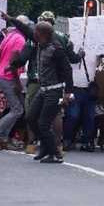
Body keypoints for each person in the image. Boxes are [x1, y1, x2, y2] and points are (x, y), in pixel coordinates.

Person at [23, 22, 73, 164]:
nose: (34, 34)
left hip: (55, 90)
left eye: (36, 32)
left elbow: (67, 70)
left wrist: (68, 93)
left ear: (43, 34)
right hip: (43, 89)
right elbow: (26, 30)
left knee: (44, 123)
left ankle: (55, 153)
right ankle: (46, 146)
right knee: (31, 118)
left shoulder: (56, 49)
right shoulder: (40, 43)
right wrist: (11, 19)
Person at [0, 19, 27, 149]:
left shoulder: (8, 36)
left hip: (1, 74)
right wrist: (16, 82)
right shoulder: (20, 39)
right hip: (8, 77)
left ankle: (2, 138)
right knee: (17, 109)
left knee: (17, 109)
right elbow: (14, 63)